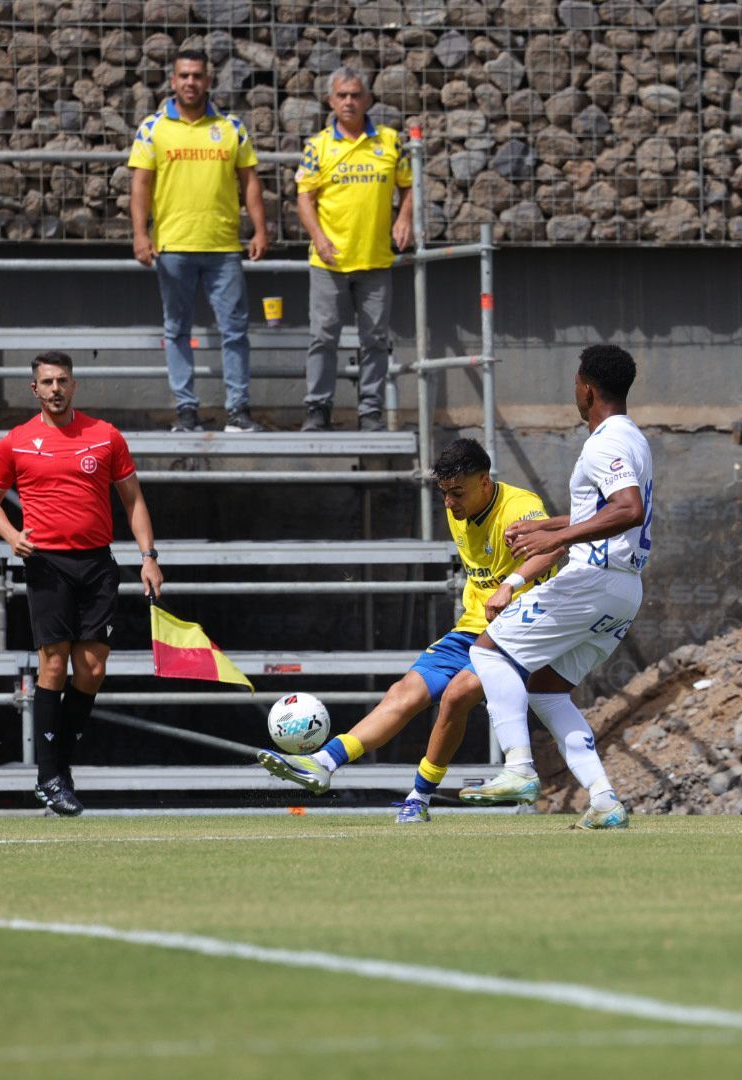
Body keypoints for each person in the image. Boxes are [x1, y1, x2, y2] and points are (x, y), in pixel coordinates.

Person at [255, 438, 559, 822]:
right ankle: (323, 762)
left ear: (485, 482)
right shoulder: (459, 510)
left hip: (518, 630)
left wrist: (510, 584)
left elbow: (553, 548)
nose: (449, 503)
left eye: (457, 493)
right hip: (469, 630)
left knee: (456, 696)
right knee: (404, 692)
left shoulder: (520, 507)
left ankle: (419, 797)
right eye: (444, 493)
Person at [457, 344, 653, 830]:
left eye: (575, 383)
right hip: (624, 590)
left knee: (487, 653)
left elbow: (629, 509)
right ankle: (605, 800)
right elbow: (611, 511)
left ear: (587, 388)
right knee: (547, 692)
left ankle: (519, 768)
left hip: (592, 579)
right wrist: (551, 528)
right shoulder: (634, 438)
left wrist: (560, 535)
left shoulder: (603, 442)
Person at [0, 352, 164, 815]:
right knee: (53, 667)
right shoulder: (16, 443)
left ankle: (57, 766)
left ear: (74, 386)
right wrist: (12, 536)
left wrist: (148, 557)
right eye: (47, 381)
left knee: (93, 670)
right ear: (34, 389)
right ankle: (49, 776)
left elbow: (134, 500)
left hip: (98, 563)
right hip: (48, 564)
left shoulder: (104, 436)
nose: (56, 388)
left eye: (63, 380)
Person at [129, 49, 268, 434]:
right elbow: (140, 183)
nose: (191, 82)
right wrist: (141, 234)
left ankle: (238, 411)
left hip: (224, 247)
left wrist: (259, 229)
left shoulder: (230, 127)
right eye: (184, 75)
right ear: (173, 81)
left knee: (235, 330)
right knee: (176, 330)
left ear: (209, 81)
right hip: (173, 247)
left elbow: (250, 181)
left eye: (198, 76)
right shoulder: (153, 128)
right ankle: (186, 411)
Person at [295, 67, 415, 433]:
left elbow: (409, 186)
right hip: (329, 261)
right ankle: (318, 409)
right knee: (322, 337)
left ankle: (370, 411)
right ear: (331, 101)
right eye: (342, 95)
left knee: (375, 339)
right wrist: (317, 236)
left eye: (355, 94)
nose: (349, 101)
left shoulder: (390, 141)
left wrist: (404, 217)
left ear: (367, 99)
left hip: (375, 259)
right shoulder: (318, 146)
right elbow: (304, 197)